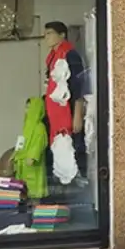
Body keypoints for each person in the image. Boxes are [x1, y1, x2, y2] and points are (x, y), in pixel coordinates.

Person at [43, 20, 88, 186]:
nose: (46, 37)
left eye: (50, 33)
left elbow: (79, 86)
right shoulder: (51, 58)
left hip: (68, 111)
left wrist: (78, 114)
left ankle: (79, 180)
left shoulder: (70, 55)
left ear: (62, 35)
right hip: (55, 112)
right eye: (45, 34)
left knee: (74, 147)